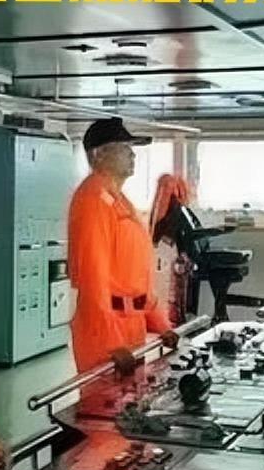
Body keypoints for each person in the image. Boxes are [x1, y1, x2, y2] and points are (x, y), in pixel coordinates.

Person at [67, 118, 180, 374]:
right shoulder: (92, 200)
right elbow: (93, 274)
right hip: (104, 331)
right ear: (98, 154)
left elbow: (138, 276)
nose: (132, 154)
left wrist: (161, 324)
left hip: (131, 324)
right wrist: (112, 342)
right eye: (124, 147)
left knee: (132, 397)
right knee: (104, 400)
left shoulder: (120, 201)